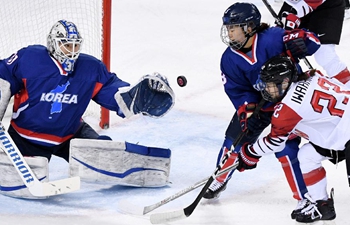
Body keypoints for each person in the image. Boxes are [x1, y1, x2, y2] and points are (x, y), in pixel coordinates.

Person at [0, 20, 175, 199]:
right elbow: (3, 75)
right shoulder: (30, 59)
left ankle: (147, 168)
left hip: (70, 134)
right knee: (27, 173)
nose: (72, 51)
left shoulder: (91, 68)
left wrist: (137, 98)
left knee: (104, 154)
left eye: (76, 46)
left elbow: (113, 92)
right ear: (53, 43)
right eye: (66, 45)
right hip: (26, 137)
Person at [202, 2, 321, 219]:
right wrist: (246, 111)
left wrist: (299, 38)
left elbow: (313, 43)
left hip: (289, 100)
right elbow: (238, 90)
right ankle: (220, 177)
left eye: (233, 28)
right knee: (233, 140)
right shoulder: (229, 59)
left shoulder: (274, 37)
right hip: (260, 103)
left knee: (285, 147)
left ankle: (303, 198)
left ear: (249, 27)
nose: (229, 33)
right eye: (228, 28)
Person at [235, 55, 350, 223]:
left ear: (285, 81)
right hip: (342, 131)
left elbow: (274, 142)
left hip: (346, 132)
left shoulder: (287, 108)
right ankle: (322, 205)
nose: (267, 90)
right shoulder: (312, 75)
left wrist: (249, 153)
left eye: (271, 85)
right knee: (307, 155)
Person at [278, 0, 350, 85]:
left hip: (326, 5)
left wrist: (294, 12)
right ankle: (284, 89)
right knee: (278, 43)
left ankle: (347, 86)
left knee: (324, 53)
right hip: (294, 2)